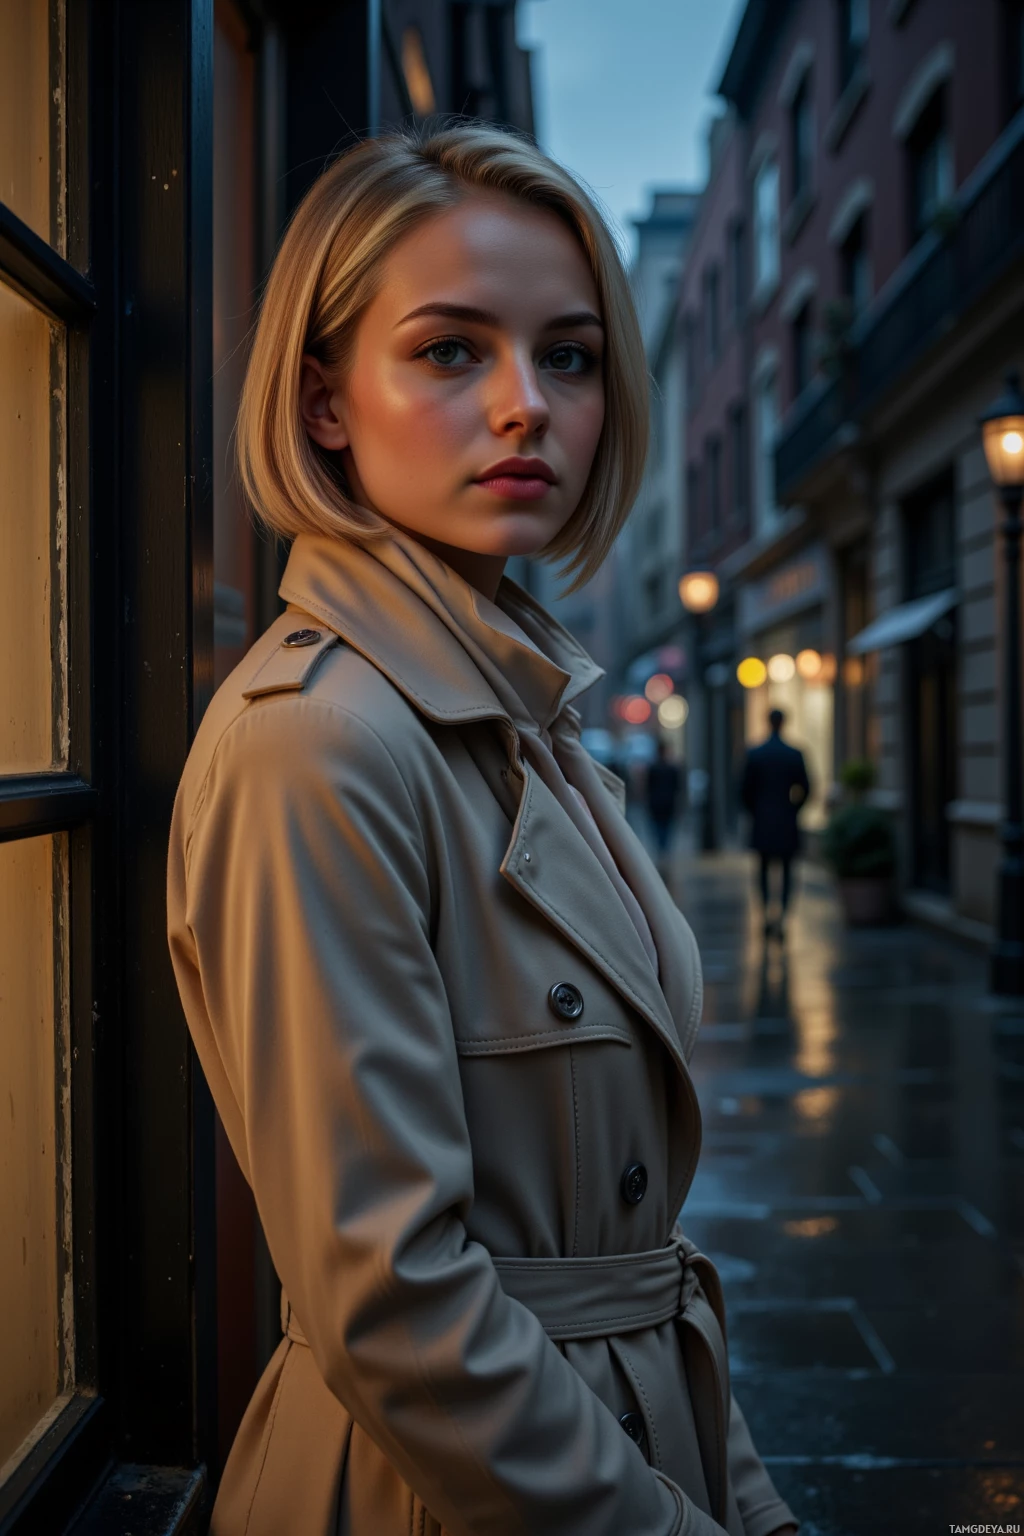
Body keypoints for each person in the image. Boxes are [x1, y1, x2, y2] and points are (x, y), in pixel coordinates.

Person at [166, 124, 798, 1536]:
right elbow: (395, 1298)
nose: (526, 406)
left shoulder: (536, 724)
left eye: (567, 356)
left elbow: (641, 1270)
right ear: (327, 402)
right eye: (451, 351)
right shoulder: (319, 741)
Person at [740, 708, 811, 938]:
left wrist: (755, 811)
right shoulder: (793, 753)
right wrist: (794, 809)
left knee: (762, 870)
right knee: (788, 871)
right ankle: (781, 917)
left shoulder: (755, 753)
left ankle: (765, 915)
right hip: (786, 820)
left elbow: (743, 791)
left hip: (762, 820)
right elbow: (807, 788)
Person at [645, 738, 685, 862]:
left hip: (657, 804)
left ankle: (662, 851)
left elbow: (647, 788)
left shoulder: (653, 768)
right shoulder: (672, 769)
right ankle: (664, 851)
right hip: (668, 804)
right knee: (666, 830)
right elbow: (678, 789)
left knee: (659, 830)